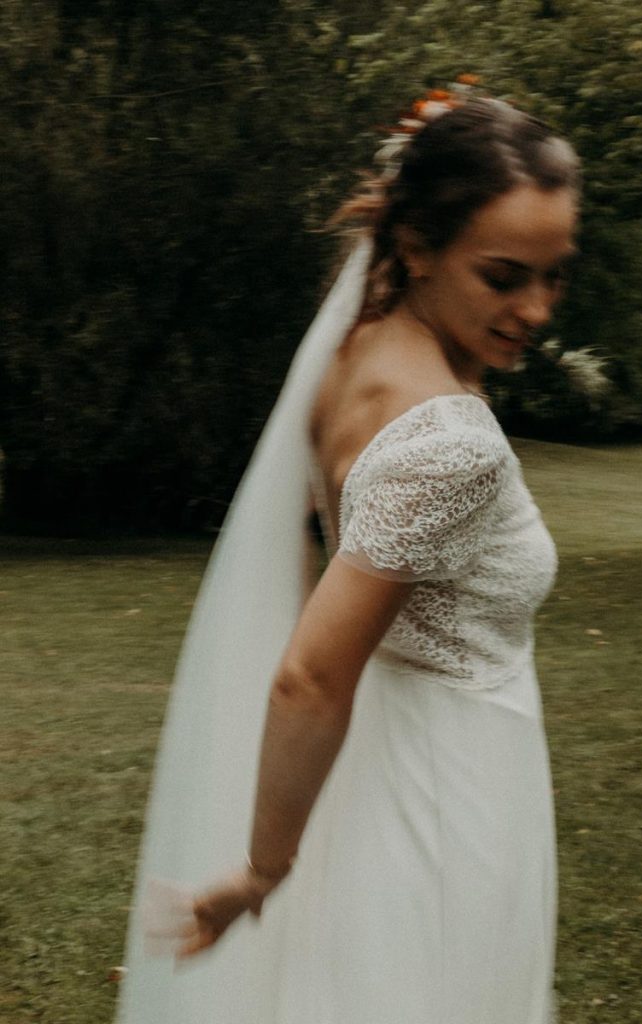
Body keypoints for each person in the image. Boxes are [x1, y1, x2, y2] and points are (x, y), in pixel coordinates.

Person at [117, 86, 580, 1024]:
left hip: (384, 771)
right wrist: (260, 870)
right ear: (415, 246)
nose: (535, 308)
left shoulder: (356, 354)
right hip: (441, 793)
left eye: (553, 273)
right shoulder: (450, 439)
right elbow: (309, 678)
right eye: (502, 276)